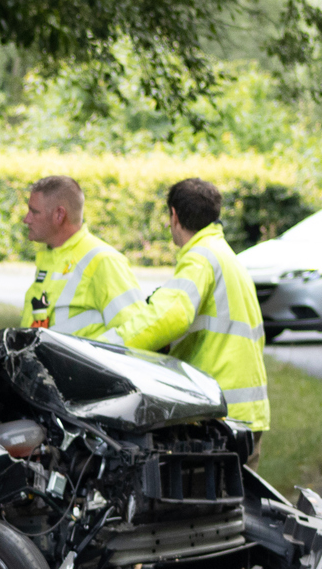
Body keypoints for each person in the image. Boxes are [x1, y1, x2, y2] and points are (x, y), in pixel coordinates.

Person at [109, 178, 271, 432]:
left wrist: (106, 350)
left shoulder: (201, 257)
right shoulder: (224, 254)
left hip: (219, 415)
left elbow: (166, 317)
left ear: (174, 215)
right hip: (244, 414)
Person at [17, 175, 143, 338]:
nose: (26, 219)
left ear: (59, 215)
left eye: (34, 212)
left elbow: (135, 330)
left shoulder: (103, 260)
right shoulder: (51, 258)